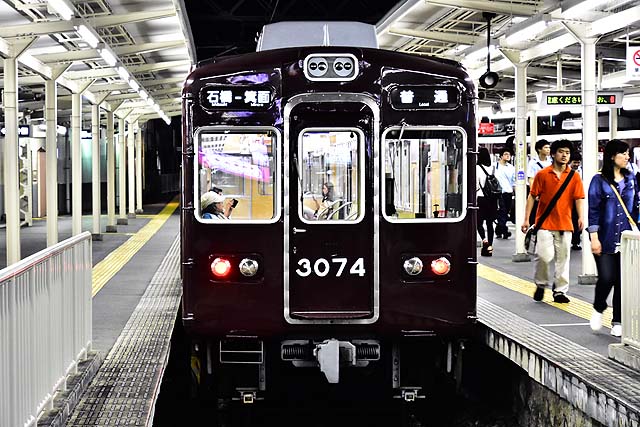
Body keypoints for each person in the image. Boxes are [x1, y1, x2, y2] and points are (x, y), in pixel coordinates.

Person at [521, 139, 585, 304]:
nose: (564, 155)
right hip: (544, 223)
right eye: (561, 152)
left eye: (567, 153)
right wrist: (526, 219)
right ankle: (541, 284)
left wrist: (581, 216)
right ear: (554, 154)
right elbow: (532, 196)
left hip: (565, 224)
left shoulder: (574, 176)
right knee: (543, 256)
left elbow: (578, 198)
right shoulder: (542, 174)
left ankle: (560, 291)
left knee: (563, 259)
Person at [587, 139, 639, 337]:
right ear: (611, 156)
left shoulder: (631, 178)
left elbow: (636, 207)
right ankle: (599, 307)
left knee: (623, 281)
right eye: (623, 153)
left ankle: (618, 320)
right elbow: (593, 210)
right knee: (607, 277)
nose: (627, 157)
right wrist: (594, 238)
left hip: (627, 238)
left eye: (627, 153)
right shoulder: (598, 180)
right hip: (605, 238)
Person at [476, 148, 498, 256]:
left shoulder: (477, 168)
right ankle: (490, 246)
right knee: (490, 223)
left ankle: (485, 241)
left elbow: (476, 185)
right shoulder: (493, 167)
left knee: (478, 223)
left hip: (481, 198)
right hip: (492, 199)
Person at [527, 139, 552, 225]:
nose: (548, 149)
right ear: (539, 149)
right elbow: (531, 178)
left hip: (550, 191)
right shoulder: (533, 163)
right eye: (545, 147)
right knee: (536, 214)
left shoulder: (552, 161)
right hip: (539, 192)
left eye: (549, 147)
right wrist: (534, 193)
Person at [494, 148, 515, 239]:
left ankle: (499, 230)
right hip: (498, 193)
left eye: (509, 155)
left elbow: (514, 181)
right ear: (501, 156)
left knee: (505, 212)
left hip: (508, 192)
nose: (508, 156)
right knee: (502, 212)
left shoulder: (511, 168)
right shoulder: (495, 166)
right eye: (506, 154)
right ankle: (505, 231)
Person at [570, 152, 583, 250]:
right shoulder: (566, 171)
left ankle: (576, 241)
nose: (576, 164)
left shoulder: (581, 171)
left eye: (578, 162)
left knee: (576, 220)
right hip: (567, 200)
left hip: (577, 199)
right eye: (575, 162)